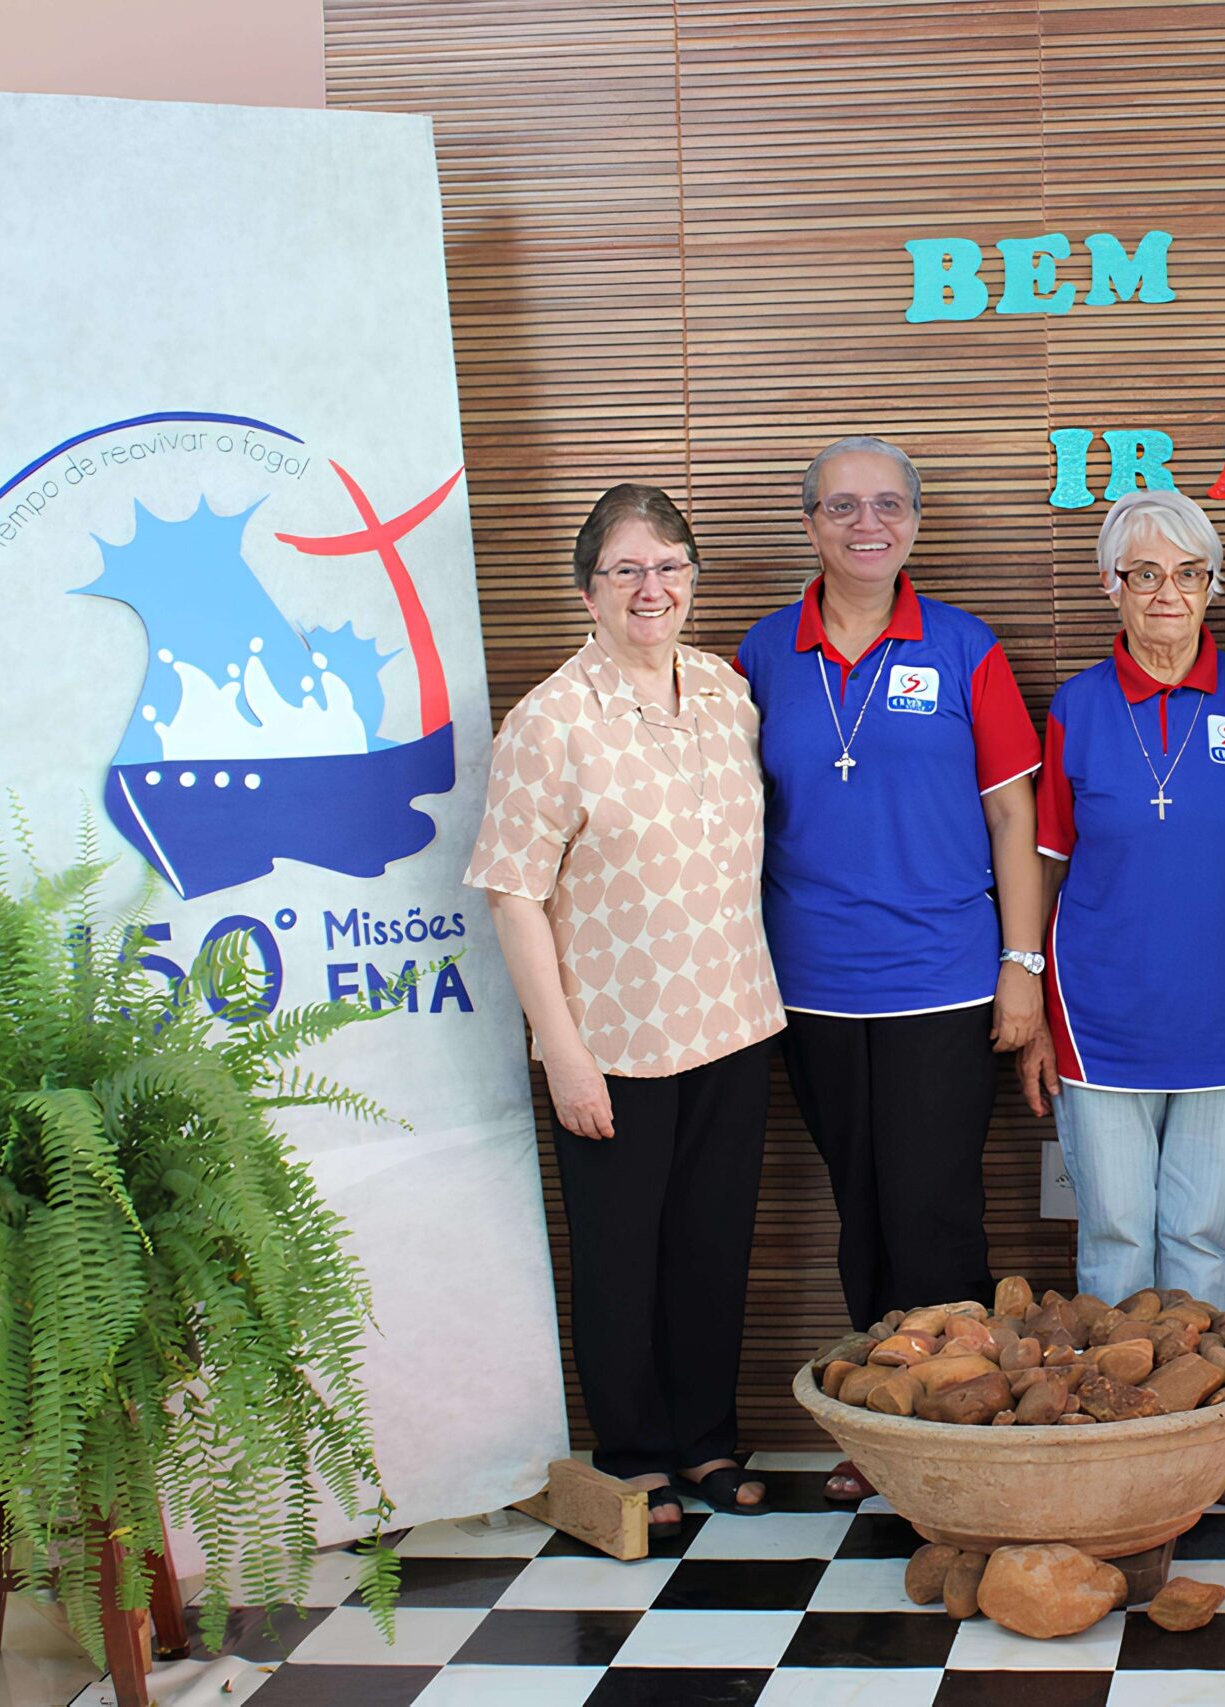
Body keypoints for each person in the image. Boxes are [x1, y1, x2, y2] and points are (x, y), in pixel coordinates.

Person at [465, 483, 783, 1528]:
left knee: (710, 1247)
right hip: (612, 1036)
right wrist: (562, 1054)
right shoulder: (550, 721)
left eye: (671, 567)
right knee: (620, 1258)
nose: (653, 589)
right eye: (627, 570)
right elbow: (514, 895)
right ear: (588, 592)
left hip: (733, 1020)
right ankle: (636, 1458)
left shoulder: (727, 690)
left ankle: (704, 1443)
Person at [733, 436, 1044, 1502]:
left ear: (915, 520)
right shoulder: (761, 654)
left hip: (945, 978)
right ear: (810, 522)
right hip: (809, 985)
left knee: (936, 1208)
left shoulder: (963, 647)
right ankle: (882, 1430)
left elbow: (1014, 815)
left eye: (889, 506)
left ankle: (961, 1433)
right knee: (857, 1208)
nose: (868, 525)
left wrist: (1021, 965)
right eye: (842, 507)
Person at [1015, 489, 1225, 1507]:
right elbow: (1044, 867)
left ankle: (1197, 1442)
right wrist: (1036, 1013)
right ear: (1112, 588)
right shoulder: (1078, 709)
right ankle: (1110, 1435)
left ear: (1212, 585)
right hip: (1099, 1019)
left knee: (1197, 1235)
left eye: (1188, 573)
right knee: (1114, 1235)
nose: (1167, 593)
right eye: (1144, 573)